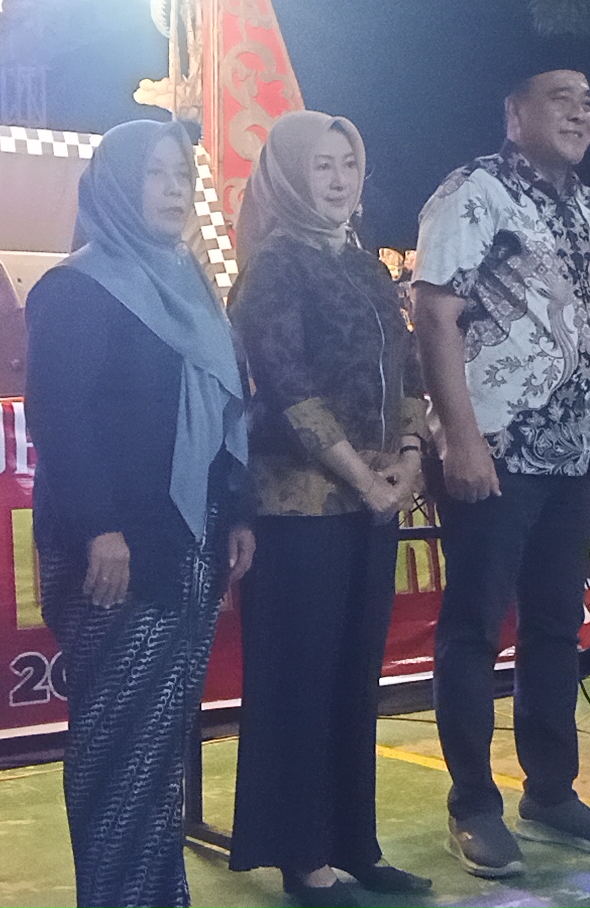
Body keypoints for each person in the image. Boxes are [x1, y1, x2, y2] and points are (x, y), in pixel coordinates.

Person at [23, 118, 256, 908]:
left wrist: (237, 514)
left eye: (182, 176)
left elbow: (224, 414)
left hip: (189, 545)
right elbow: (61, 419)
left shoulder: (191, 288)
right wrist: (100, 529)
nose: (174, 190)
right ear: (118, 187)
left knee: (159, 746)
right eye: (156, 175)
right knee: (116, 743)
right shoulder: (76, 289)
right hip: (116, 553)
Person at [413, 68, 590, 878]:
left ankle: (550, 792)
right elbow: (434, 313)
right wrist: (461, 436)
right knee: (474, 630)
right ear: (515, 113)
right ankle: (473, 805)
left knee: (555, 630)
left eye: (589, 101)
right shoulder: (473, 192)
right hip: (496, 449)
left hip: (572, 454)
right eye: (560, 99)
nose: (581, 112)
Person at [226, 111, 433, 906]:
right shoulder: (274, 268)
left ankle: (355, 844)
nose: (341, 179)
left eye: (349, 163)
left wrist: (409, 454)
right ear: (287, 177)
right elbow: (286, 390)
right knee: (300, 682)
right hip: (300, 509)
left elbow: (407, 368)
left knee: (355, 678)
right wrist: (362, 476)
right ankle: (302, 857)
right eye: (322, 165)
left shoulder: (365, 266)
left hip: (372, 501)